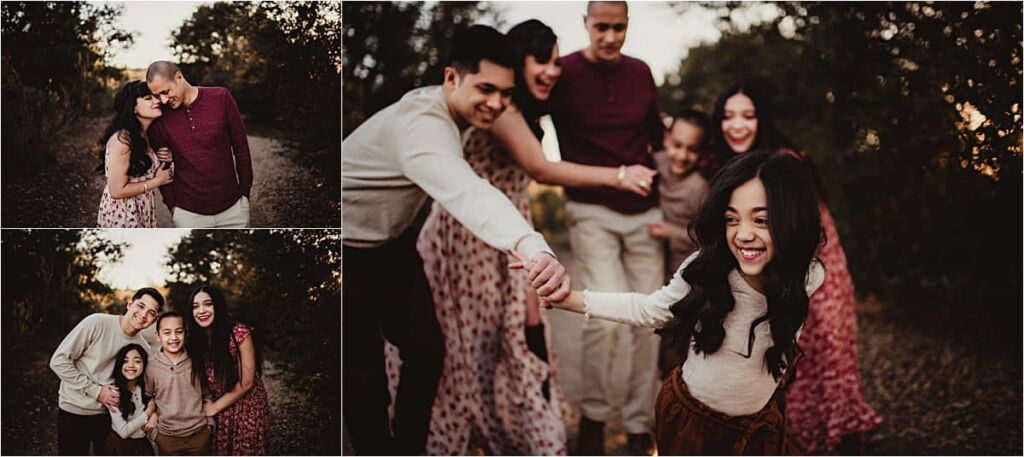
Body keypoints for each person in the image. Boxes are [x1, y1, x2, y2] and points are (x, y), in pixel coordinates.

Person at [384, 19, 654, 455]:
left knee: (512, 337)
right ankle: (466, 435)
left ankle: (514, 432)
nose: (551, 71)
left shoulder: (517, 106)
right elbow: (541, 168)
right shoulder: (503, 110)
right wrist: (620, 175)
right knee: (470, 345)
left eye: (555, 62)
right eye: (540, 60)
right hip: (470, 238)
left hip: (505, 235)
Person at [342, 24, 571, 454]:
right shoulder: (421, 127)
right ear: (452, 78)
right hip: (346, 251)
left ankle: (409, 448)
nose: (497, 103)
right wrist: (532, 245)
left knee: (428, 351)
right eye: (485, 88)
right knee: (363, 378)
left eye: (505, 93)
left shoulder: (457, 111)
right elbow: (470, 193)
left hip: (391, 246)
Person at [525, 150, 826, 454]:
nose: (743, 234)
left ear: (791, 219)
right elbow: (648, 309)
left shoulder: (808, 276)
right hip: (693, 423)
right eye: (731, 219)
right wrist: (570, 299)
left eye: (761, 220)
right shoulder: (706, 269)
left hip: (761, 424)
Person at [711, 82, 882, 454]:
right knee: (779, 368)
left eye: (747, 115)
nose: (736, 125)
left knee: (824, 361)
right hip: (769, 280)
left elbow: (812, 230)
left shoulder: (785, 162)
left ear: (762, 120)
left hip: (817, 273)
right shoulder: (728, 168)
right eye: (728, 116)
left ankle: (834, 443)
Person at [547, 2, 665, 453]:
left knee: (649, 318)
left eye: (619, 27)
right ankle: (594, 419)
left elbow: (658, 136)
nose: (611, 36)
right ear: (586, 25)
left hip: (645, 211)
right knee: (604, 316)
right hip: (590, 209)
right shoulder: (565, 73)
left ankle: (638, 425)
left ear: (628, 26)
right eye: (602, 27)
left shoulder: (641, 72)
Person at [49, 287, 164, 455]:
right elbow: (58, 361)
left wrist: (152, 414)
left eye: (151, 312)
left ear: (155, 319)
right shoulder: (96, 323)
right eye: (140, 306)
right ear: (129, 304)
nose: (144, 314)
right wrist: (97, 391)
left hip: (109, 418)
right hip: (74, 411)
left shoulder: (143, 349)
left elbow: (143, 387)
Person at [146, 61, 253, 228]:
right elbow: (162, 165)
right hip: (188, 214)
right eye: (158, 96)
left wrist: (245, 194)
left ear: (179, 77)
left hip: (233, 210)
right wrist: (173, 207)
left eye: (165, 92)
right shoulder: (160, 117)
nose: (164, 100)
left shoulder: (221, 98)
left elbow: (241, 148)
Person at [647, 109, 714, 378]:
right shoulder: (654, 163)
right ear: (666, 138)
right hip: (651, 262)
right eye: (677, 145)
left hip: (681, 272)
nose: (682, 156)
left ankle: (674, 401)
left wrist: (671, 232)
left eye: (692, 149)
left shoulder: (699, 188)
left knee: (674, 342)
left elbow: (707, 237)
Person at [186, 285, 269, 455]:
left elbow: (246, 383)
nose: (201, 310)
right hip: (217, 409)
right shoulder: (194, 339)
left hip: (246, 409)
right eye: (195, 306)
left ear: (218, 305)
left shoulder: (238, 333)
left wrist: (214, 408)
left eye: (208, 304)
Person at [96, 81, 175, 228]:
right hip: (124, 214)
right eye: (148, 98)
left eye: (155, 97)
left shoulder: (146, 136)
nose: (157, 101)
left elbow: (145, 171)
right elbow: (117, 191)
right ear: (133, 108)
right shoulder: (123, 140)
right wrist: (157, 181)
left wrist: (167, 158)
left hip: (143, 208)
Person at [145, 311, 212, 455]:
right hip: (167, 437)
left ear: (185, 334)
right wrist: (155, 429)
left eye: (179, 332)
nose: (173, 337)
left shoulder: (196, 362)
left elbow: (207, 395)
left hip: (199, 434)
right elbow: (147, 396)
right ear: (158, 336)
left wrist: (210, 426)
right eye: (167, 333)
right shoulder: (151, 367)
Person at [105, 343, 157, 455]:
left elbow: (155, 402)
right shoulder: (113, 392)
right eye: (125, 361)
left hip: (142, 444)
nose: (131, 365)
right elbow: (123, 432)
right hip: (120, 446)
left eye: (137, 361)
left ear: (144, 364)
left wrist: (154, 415)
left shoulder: (145, 386)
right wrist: (148, 412)